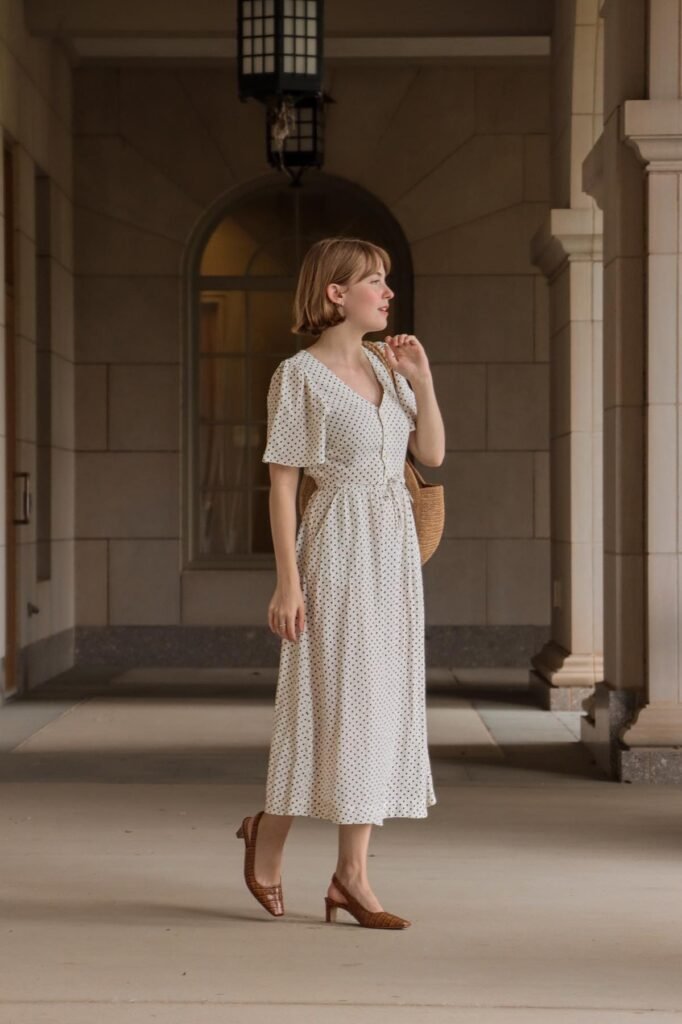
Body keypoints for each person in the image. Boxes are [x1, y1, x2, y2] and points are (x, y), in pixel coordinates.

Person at [236, 237, 445, 928]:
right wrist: (287, 583)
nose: (388, 293)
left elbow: (431, 452)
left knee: (380, 704)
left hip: (393, 554)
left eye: (386, 281)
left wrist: (422, 380)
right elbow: (282, 485)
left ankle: (351, 877)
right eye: (375, 281)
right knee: (330, 704)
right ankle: (268, 831)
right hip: (337, 546)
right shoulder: (298, 376)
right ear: (336, 293)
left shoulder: (389, 366)